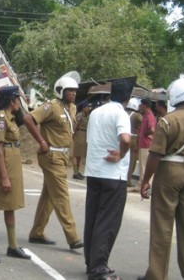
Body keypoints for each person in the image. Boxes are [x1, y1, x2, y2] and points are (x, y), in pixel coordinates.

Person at [137, 78, 184, 280]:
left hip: (169, 171)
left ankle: (157, 275)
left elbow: (155, 154)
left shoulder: (168, 120)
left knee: (162, 226)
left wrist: (146, 180)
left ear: (174, 96)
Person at [25, 71, 84, 250]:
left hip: (63, 155)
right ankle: (73, 236)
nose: (73, 93)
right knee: (61, 195)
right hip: (51, 155)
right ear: (60, 91)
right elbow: (28, 118)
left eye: (74, 90)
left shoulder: (72, 108)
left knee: (50, 195)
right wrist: (41, 141)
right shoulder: (51, 107)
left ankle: (37, 232)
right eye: (69, 91)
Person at [84, 78, 134, 280]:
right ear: (128, 98)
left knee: (93, 219)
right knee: (108, 222)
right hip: (113, 174)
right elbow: (125, 139)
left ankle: (92, 262)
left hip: (94, 171)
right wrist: (121, 155)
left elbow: (90, 139)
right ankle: (99, 269)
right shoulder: (121, 114)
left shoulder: (96, 112)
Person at [0, 86, 30, 264]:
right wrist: (3, 176)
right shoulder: (0, 119)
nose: (19, 102)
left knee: (10, 204)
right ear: (11, 101)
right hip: (4, 165)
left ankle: (12, 246)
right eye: (17, 99)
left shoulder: (10, 118)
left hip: (13, 163)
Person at [133, 98, 156, 192]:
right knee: (143, 165)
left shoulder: (149, 116)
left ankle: (143, 185)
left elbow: (152, 129)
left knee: (144, 166)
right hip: (144, 144)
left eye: (141, 105)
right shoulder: (146, 115)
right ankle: (143, 184)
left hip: (146, 144)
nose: (140, 107)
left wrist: (145, 134)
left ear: (145, 105)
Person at [126, 98, 142, 187]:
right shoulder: (137, 115)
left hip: (123, 136)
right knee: (132, 160)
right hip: (133, 138)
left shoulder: (123, 112)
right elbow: (144, 123)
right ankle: (128, 180)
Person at [72, 102, 91, 180]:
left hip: (84, 135)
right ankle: (75, 172)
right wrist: (72, 136)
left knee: (79, 155)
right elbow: (75, 127)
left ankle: (77, 171)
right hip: (79, 135)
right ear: (83, 108)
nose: (88, 109)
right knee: (75, 154)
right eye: (87, 107)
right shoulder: (79, 116)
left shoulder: (87, 116)